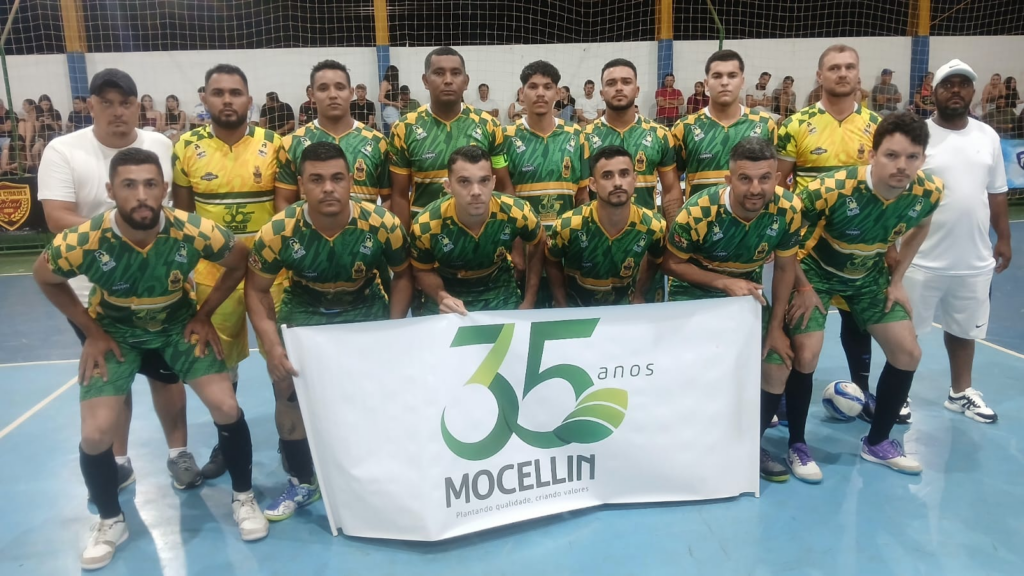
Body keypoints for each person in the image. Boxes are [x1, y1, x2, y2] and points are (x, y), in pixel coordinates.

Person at [34, 148, 269, 569]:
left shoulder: (191, 229)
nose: (141, 195)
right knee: (96, 434)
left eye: (150, 185)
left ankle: (244, 498)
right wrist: (92, 332)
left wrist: (204, 314)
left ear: (164, 189)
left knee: (226, 406)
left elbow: (239, 261)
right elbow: (44, 276)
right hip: (115, 334)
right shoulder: (85, 239)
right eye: (129, 185)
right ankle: (110, 521)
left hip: (178, 325)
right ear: (111, 191)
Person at [37, 68, 195, 495]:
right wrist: (121, 236)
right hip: (93, 294)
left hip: (161, 286)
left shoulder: (160, 145)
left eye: (125, 103)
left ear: (137, 106)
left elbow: (174, 214)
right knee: (114, 376)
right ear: (91, 106)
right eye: (106, 103)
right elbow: (56, 217)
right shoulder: (63, 150)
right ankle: (119, 461)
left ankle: (179, 453)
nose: (117, 111)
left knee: (167, 376)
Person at [248, 142, 412, 521]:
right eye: (316, 180)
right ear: (301, 184)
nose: (328, 188)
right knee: (286, 390)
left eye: (337, 178)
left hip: (364, 306)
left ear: (351, 180)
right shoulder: (278, 231)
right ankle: (302, 480)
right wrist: (272, 346)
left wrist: (393, 330)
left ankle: (378, 470)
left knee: (375, 393)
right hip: (304, 309)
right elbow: (256, 291)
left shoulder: (382, 224)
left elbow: (404, 276)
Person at [785, 111, 942, 480]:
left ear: (922, 159)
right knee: (806, 353)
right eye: (892, 155)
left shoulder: (929, 191)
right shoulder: (830, 188)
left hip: (869, 275)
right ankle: (797, 445)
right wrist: (802, 287)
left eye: (912, 157)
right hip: (816, 272)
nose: (902, 165)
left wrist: (897, 280)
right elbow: (785, 239)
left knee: (908, 352)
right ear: (872, 155)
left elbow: (921, 227)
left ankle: (878, 442)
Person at [662, 137, 802, 482]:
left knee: (777, 363)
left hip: (747, 295)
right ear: (729, 179)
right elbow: (671, 264)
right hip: (694, 289)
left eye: (764, 178)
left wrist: (775, 329)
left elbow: (785, 268)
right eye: (745, 179)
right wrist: (723, 282)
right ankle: (687, 443)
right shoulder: (698, 211)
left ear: (777, 178)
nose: (755, 188)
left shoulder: (789, 209)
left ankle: (749, 445)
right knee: (699, 366)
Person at [172, 64, 286, 479]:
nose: (227, 100)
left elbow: (285, 213)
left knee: (283, 359)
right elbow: (184, 218)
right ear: (204, 98)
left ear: (249, 100)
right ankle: (227, 444)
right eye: (218, 92)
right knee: (221, 366)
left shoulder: (275, 145)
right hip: (213, 276)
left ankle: (291, 439)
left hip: (269, 274)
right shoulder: (186, 146)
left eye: (235, 93)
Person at [776, 45, 889, 424]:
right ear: (820, 75)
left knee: (858, 323)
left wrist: (891, 245)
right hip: (808, 253)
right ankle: (786, 394)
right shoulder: (796, 124)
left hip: (861, 248)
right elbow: (779, 187)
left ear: (858, 74)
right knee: (799, 322)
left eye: (849, 67)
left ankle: (863, 390)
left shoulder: (877, 127)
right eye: (834, 67)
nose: (842, 73)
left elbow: (887, 190)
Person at [904, 59, 1010, 424]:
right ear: (933, 93)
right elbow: (898, 193)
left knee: (964, 331)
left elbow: (997, 192)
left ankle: (960, 392)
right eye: (948, 84)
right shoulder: (917, 135)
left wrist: (1004, 238)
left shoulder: (988, 136)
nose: (955, 90)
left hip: (973, 258)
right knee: (905, 331)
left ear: (972, 92)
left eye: (963, 84)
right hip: (920, 258)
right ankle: (898, 394)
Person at [580, 58, 681, 304]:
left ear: (636, 90)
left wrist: (673, 238)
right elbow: (581, 195)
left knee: (646, 314)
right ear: (601, 93)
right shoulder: (584, 136)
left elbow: (671, 190)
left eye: (626, 82)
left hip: (647, 245)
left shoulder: (660, 134)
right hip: (597, 246)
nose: (619, 88)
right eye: (611, 83)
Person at [387, 46, 512, 230]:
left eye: (455, 73)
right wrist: (403, 242)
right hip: (425, 236)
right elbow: (399, 195)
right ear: (425, 80)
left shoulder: (489, 126)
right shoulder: (404, 128)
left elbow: (503, 186)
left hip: (480, 235)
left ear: (466, 81)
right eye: (438, 73)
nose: (447, 80)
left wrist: (509, 235)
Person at [410, 145, 544, 315]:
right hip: (447, 292)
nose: (476, 191)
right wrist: (441, 296)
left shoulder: (517, 211)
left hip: (499, 291)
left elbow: (538, 241)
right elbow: (422, 269)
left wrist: (529, 301)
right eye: (464, 182)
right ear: (448, 186)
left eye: (484, 181)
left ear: (493, 182)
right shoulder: (426, 224)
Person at [504, 61, 585, 307]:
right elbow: (503, 200)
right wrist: (515, 247)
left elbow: (582, 197)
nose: (540, 93)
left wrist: (581, 244)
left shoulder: (576, 135)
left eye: (548, 87)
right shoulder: (505, 137)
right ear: (522, 94)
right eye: (533, 87)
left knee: (567, 318)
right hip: (524, 250)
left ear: (558, 93)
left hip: (566, 249)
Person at [545, 145, 666, 307]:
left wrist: (639, 294)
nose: (617, 183)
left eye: (624, 174)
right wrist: (561, 304)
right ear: (593, 184)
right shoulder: (568, 225)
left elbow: (655, 259)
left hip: (624, 309)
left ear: (634, 179)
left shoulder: (654, 226)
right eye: (607, 176)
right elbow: (551, 261)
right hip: (577, 308)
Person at [276, 60, 390, 211]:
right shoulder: (291, 143)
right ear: (312, 95)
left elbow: (389, 199)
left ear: (351, 92)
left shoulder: (378, 142)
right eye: (323, 88)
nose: (333, 95)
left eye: (340, 87)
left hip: (366, 226)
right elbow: (284, 201)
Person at [672, 50, 776, 198]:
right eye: (717, 76)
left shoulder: (765, 124)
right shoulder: (684, 127)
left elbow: (774, 180)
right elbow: (671, 185)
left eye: (732, 76)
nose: (725, 82)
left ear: (742, 82)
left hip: (754, 213)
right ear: (706, 84)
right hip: (701, 213)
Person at [378, 64, 401, 137]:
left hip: (394, 109)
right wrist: (395, 104)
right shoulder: (385, 83)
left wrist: (398, 103)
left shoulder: (392, 84)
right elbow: (380, 99)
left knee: (398, 130)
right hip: (390, 110)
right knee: (395, 131)